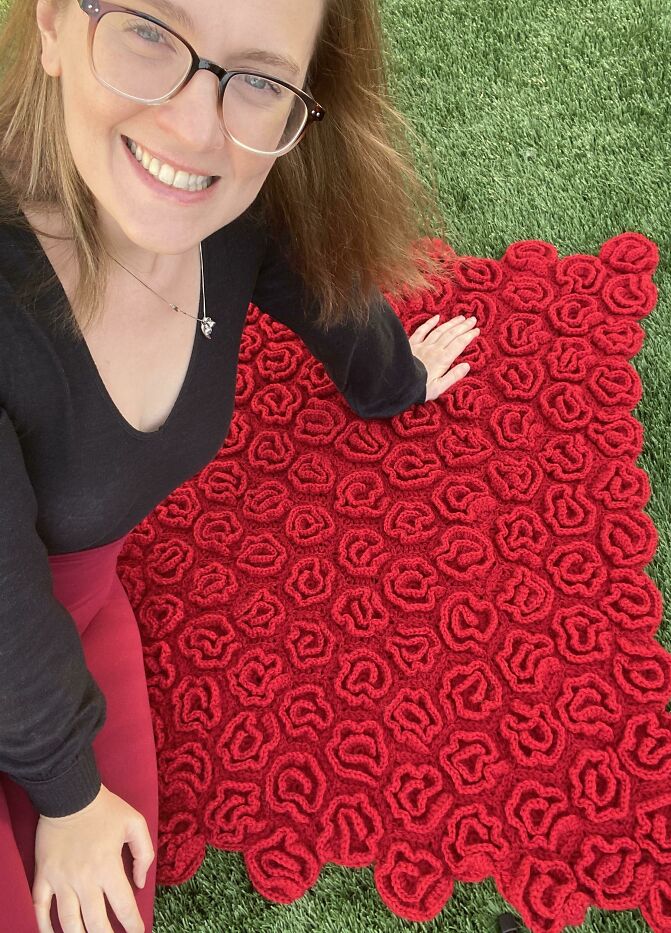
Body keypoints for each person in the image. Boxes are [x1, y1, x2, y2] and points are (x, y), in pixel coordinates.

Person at [0, 0, 481, 930]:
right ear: (54, 24)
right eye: (149, 29)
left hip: (72, 617)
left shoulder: (236, 215)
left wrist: (394, 379)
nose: (195, 123)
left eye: (258, 78)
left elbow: (323, 287)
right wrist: (67, 792)